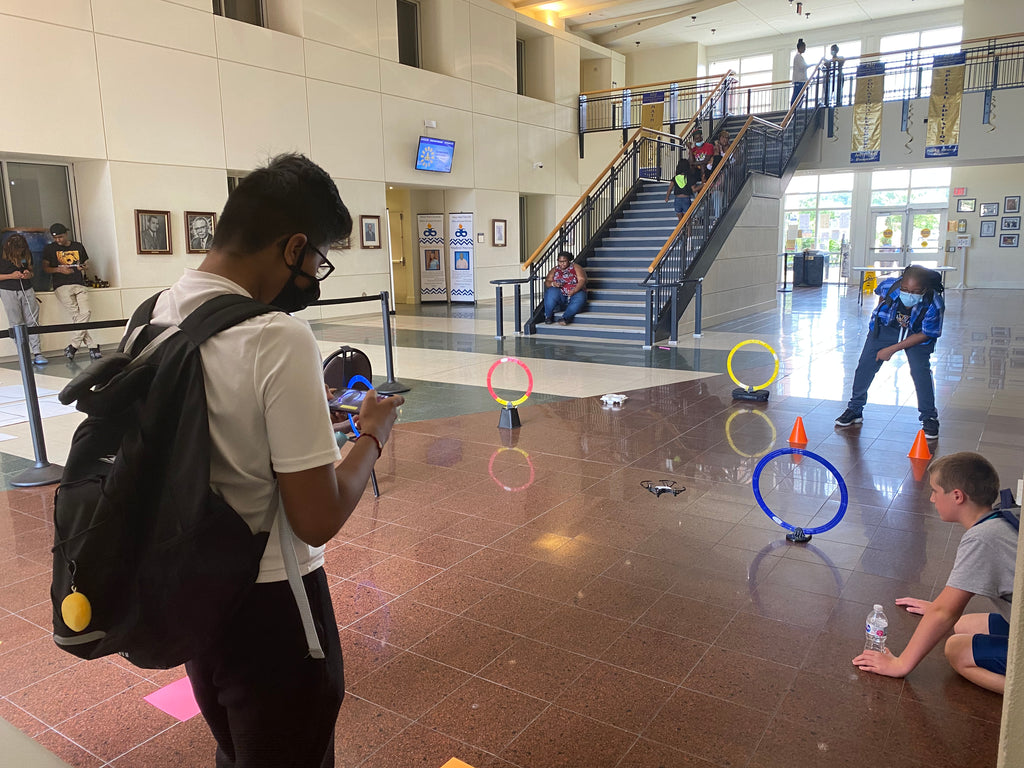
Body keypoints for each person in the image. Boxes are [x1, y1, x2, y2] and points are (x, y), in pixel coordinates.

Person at [163, 153, 403, 767]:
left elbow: (211, 433)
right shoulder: (274, 335)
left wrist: (298, 414)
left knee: (238, 752)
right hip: (274, 608)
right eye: (319, 258)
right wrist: (370, 435)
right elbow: (315, 517)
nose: (316, 275)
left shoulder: (160, 313)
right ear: (294, 247)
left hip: (195, 596)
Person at [853, 453, 1014, 694]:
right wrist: (941, 608)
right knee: (965, 624)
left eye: (935, 491)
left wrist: (900, 664)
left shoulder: (982, 539)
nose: (931, 498)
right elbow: (948, 608)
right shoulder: (1002, 516)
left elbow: (945, 613)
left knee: (956, 650)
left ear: (957, 496)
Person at [835, 264, 943, 437]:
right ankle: (855, 409)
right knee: (865, 365)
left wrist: (892, 349)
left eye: (915, 291)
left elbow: (926, 334)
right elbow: (881, 298)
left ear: (925, 289)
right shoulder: (889, 286)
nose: (909, 294)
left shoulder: (934, 303)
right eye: (905, 289)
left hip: (917, 333)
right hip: (886, 328)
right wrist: (882, 320)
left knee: (919, 370)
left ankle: (929, 417)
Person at [43, 223, 100, 361]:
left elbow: (86, 263)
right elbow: (46, 268)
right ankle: (92, 347)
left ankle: (73, 346)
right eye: (55, 238)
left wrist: (84, 267)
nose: (58, 240)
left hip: (78, 283)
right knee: (76, 316)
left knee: (85, 313)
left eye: (61, 237)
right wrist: (59, 269)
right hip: (61, 285)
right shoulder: (50, 249)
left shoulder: (78, 246)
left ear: (66, 234)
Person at [0, 234, 47, 365]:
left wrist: (28, 274)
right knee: (17, 323)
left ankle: (37, 353)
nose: (19, 253)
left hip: (26, 289)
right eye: (17, 250)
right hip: (8, 290)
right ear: (9, 246)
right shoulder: (1, 256)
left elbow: (31, 270)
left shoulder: (26, 254)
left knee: (33, 320)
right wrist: (11, 276)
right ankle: (24, 354)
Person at [543, 250, 586, 325]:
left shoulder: (576, 267)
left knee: (580, 297)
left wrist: (574, 290)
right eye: (560, 261)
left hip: (574, 292)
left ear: (569, 261)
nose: (562, 263)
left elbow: (582, 280)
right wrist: (553, 284)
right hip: (561, 295)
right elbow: (547, 282)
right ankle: (548, 316)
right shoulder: (554, 269)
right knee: (551, 292)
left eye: (564, 261)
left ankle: (565, 318)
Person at [664, 157, 703, 222]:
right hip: (686, 199)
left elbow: (670, 188)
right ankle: (688, 232)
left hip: (677, 200)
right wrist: (703, 184)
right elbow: (694, 189)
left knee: (680, 221)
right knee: (688, 220)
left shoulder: (675, 178)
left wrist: (667, 197)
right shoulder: (689, 177)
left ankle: (682, 231)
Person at [791, 39, 809, 105]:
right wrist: (810, 65)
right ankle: (794, 108)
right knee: (797, 95)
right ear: (800, 48)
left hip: (801, 80)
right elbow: (802, 67)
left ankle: (798, 106)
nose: (805, 49)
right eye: (804, 47)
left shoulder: (799, 57)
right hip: (799, 81)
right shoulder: (797, 57)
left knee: (800, 95)